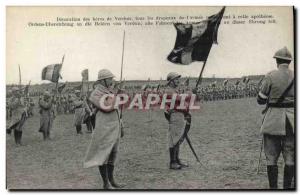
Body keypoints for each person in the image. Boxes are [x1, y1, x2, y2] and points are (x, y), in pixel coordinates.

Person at [257, 47, 294, 189]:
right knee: (290, 158)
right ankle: (288, 189)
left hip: (273, 121)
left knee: (271, 158)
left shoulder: (270, 76)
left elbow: (260, 99)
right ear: (289, 62)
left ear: (277, 61)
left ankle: (273, 190)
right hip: (292, 122)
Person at [83, 69, 125, 189]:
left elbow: (117, 111)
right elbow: (107, 107)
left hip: (114, 126)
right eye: (110, 78)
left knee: (113, 154)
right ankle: (105, 183)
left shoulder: (110, 91)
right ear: (103, 80)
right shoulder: (95, 94)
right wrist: (117, 95)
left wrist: (121, 126)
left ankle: (112, 180)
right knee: (104, 155)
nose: (112, 80)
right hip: (104, 128)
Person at [164, 72, 190, 170]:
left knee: (177, 138)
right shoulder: (169, 91)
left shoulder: (174, 90)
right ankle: (173, 162)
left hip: (179, 115)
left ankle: (177, 159)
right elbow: (181, 99)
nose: (178, 81)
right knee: (174, 139)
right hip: (175, 115)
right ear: (171, 81)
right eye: (176, 79)